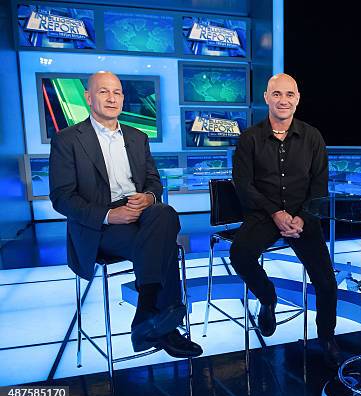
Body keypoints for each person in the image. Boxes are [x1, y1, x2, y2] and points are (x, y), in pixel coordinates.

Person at [49, 71, 202, 358]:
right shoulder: (68, 140)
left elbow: (154, 183)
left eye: (117, 92)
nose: (111, 98)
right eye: (104, 91)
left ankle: (146, 312)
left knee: (164, 213)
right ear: (88, 97)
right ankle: (162, 325)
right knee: (165, 242)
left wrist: (148, 197)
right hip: (100, 226)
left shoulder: (137, 137)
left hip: (141, 214)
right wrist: (109, 215)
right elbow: (62, 198)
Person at [230, 73, 340, 367]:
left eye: (289, 94)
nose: (283, 100)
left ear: (298, 99)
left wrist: (302, 217)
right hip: (264, 214)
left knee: (327, 282)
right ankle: (268, 298)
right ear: (266, 97)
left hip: (303, 215)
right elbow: (243, 184)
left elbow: (319, 184)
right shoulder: (249, 138)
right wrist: (275, 212)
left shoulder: (313, 137)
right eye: (277, 94)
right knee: (240, 254)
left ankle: (326, 336)